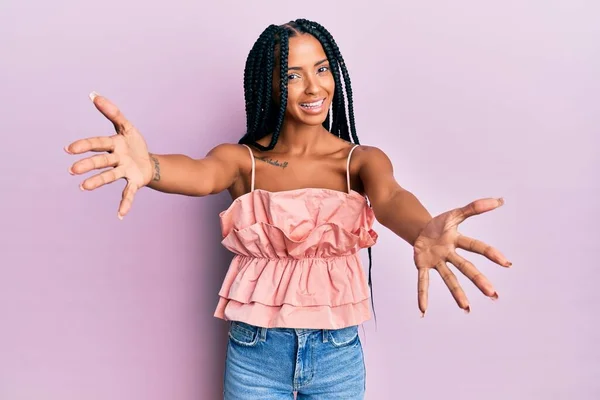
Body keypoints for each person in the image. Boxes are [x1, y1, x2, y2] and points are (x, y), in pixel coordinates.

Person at [65, 18, 511, 400]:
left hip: (338, 353)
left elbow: (391, 197)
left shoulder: (361, 161)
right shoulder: (244, 162)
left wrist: (423, 229)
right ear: (270, 83)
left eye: (321, 68)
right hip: (256, 353)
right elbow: (201, 174)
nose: (314, 86)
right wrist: (151, 166)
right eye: (293, 74)